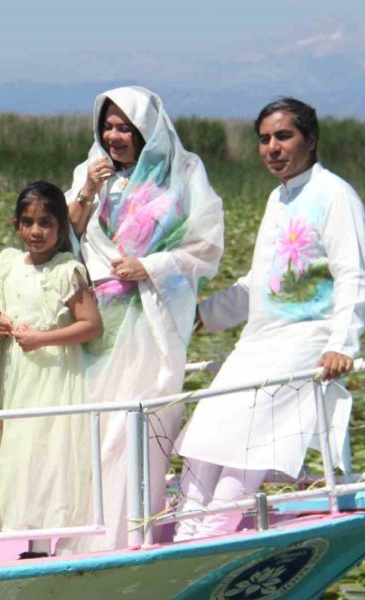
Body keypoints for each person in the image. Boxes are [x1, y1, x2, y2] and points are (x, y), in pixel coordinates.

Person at [174, 98, 365, 540]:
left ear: (311, 139)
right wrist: (202, 315)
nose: (272, 148)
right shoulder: (277, 198)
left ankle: (206, 544)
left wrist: (343, 344)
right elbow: (260, 281)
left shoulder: (335, 195)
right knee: (203, 445)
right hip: (257, 342)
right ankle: (183, 541)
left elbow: (353, 274)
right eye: (264, 139)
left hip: (303, 343)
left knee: (243, 456)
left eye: (284, 136)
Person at [65, 86, 224, 551]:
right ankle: (88, 539)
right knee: (96, 428)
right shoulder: (86, 172)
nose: (114, 136)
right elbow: (62, 237)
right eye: (108, 126)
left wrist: (150, 267)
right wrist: (89, 191)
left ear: (146, 130)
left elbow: (205, 245)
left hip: (154, 320)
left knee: (142, 421)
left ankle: (135, 533)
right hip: (98, 324)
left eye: (125, 127)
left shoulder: (184, 172)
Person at [0, 181, 102, 558]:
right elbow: (0, 313)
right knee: (15, 449)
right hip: (15, 374)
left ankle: (40, 542)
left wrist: (43, 338)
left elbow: (91, 325)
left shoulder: (67, 271)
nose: (35, 232)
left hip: (51, 374)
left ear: (60, 227)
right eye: (27, 222)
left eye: (45, 223)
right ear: (16, 224)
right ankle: (19, 532)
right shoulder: (8, 265)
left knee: (44, 449)